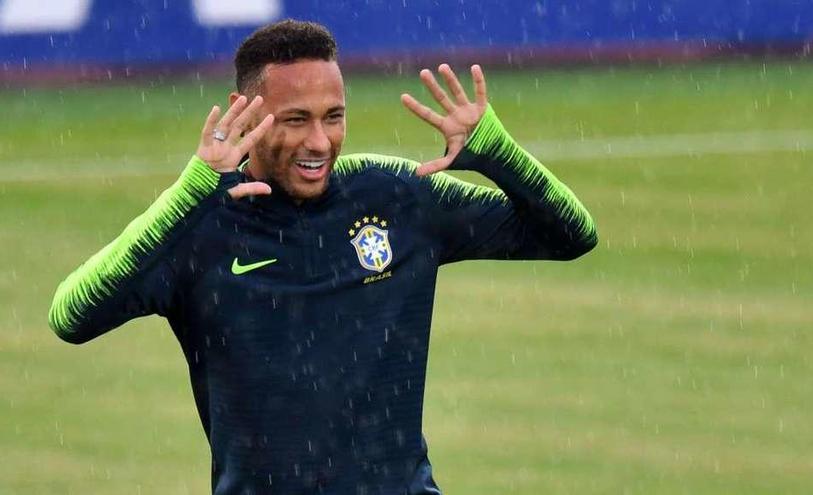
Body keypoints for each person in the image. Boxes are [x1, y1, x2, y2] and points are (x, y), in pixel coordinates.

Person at [48, 19, 597, 495]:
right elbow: (71, 315)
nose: (319, 141)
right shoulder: (203, 224)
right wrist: (191, 191)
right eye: (296, 120)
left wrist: (495, 152)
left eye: (333, 116)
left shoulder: (395, 195)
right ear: (248, 115)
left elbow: (572, 234)